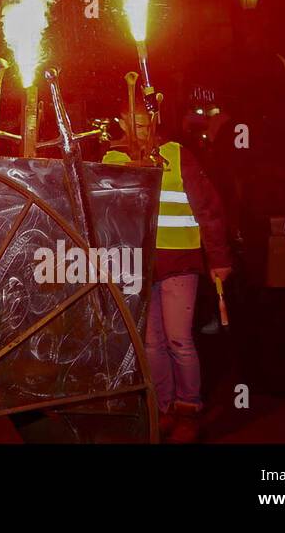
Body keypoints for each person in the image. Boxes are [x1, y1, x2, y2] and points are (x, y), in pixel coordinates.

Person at [104, 109, 231, 442]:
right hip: (139, 264)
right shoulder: (111, 158)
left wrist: (219, 257)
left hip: (180, 262)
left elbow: (209, 207)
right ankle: (162, 409)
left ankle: (188, 409)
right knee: (151, 344)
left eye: (147, 123)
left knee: (178, 338)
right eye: (135, 122)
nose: (141, 129)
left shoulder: (176, 154)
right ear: (123, 123)